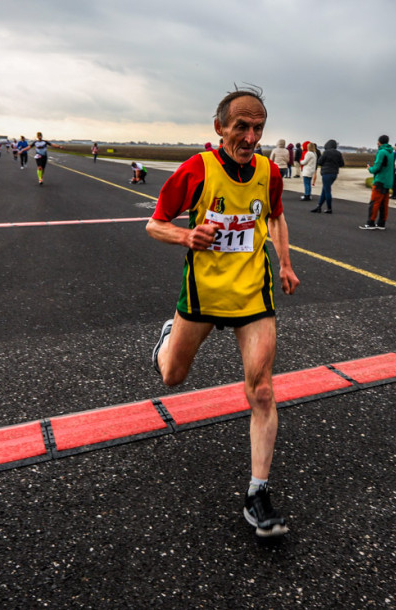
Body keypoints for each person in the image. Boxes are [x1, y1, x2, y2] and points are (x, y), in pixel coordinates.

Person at [147, 87, 300, 538]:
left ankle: (258, 493)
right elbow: (155, 223)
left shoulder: (269, 172)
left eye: (258, 128)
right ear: (220, 128)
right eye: (242, 127)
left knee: (264, 391)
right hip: (203, 294)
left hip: (253, 292)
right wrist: (184, 237)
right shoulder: (197, 169)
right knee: (172, 376)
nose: (251, 136)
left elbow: (274, 217)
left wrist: (286, 263)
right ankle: (167, 338)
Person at [359, 135, 394, 230]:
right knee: (384, 204)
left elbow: (377, 167)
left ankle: (370, 223)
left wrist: (369, 168)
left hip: (380, 180)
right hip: (388, 181)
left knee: (374, 203)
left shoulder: (381, 152)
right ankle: (381, 223)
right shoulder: (391, 152)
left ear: (379, 142)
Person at [312, 139, 344, 214]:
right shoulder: (338, 153)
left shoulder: (326, 152)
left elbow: (319, 162)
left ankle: (329, 208)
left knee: (327, 191)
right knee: (325, 190)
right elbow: (342, 164)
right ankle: (318, 206)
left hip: (326, 173)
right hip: (334, 174)